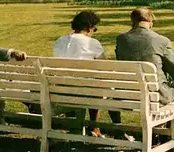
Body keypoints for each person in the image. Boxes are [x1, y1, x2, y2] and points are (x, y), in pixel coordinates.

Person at [53, 10, 128, 140]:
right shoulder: (91, 43)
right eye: (94, 29)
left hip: (62, 90)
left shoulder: (60, 40)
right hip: (85, 90)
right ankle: (117, 129)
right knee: (109, 88)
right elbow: (104, 67)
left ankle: (94, 128)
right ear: (89, 27)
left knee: (92, 84)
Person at [116, 8, 174, 105]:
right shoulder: (161, 41)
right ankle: (168, 120)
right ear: (150, 21)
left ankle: (117, 121)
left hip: (128, 93)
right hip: (156, 96)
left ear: (133, 21)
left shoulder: (121, 40)